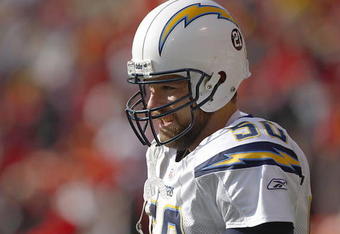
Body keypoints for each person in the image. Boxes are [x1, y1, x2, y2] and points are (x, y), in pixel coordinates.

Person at [125, 0, 312, 233]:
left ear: (218, 82)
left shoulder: (248, 154)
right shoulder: (166, 155)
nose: (152, 104)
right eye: (149, 89)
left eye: (169, 88)